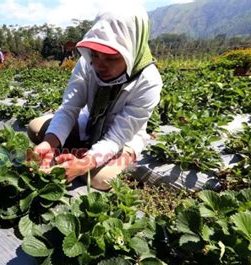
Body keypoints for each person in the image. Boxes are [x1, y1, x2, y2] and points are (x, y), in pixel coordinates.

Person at [27, 4, 162, 191]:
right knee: (36, 128)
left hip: (123, 138)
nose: (100, 65)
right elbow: (69, 108)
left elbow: (116, 138)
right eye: (95, 55)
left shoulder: (149, 80)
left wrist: (84, 164)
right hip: (90, 123)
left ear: (131, 49)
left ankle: (80, 155)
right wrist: (49, 144)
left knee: (99, 179)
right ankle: (75, 151)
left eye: (111, 58)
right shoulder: (87, 63)